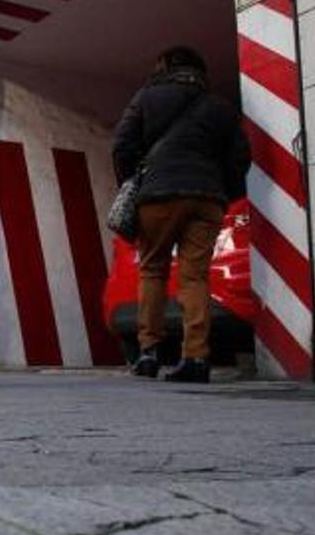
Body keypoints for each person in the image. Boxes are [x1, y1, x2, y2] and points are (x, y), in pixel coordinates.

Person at [112, 46, 251, 383]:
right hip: (207, 198)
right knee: (195, 277)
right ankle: (196, 359)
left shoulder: (147, 97)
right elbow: (240, 156)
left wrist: (132, 180)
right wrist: (224, 192)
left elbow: (122, 144)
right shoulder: (220, 107)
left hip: (158, 194)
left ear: (164, 68)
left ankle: (148, 354)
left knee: (153, 270)